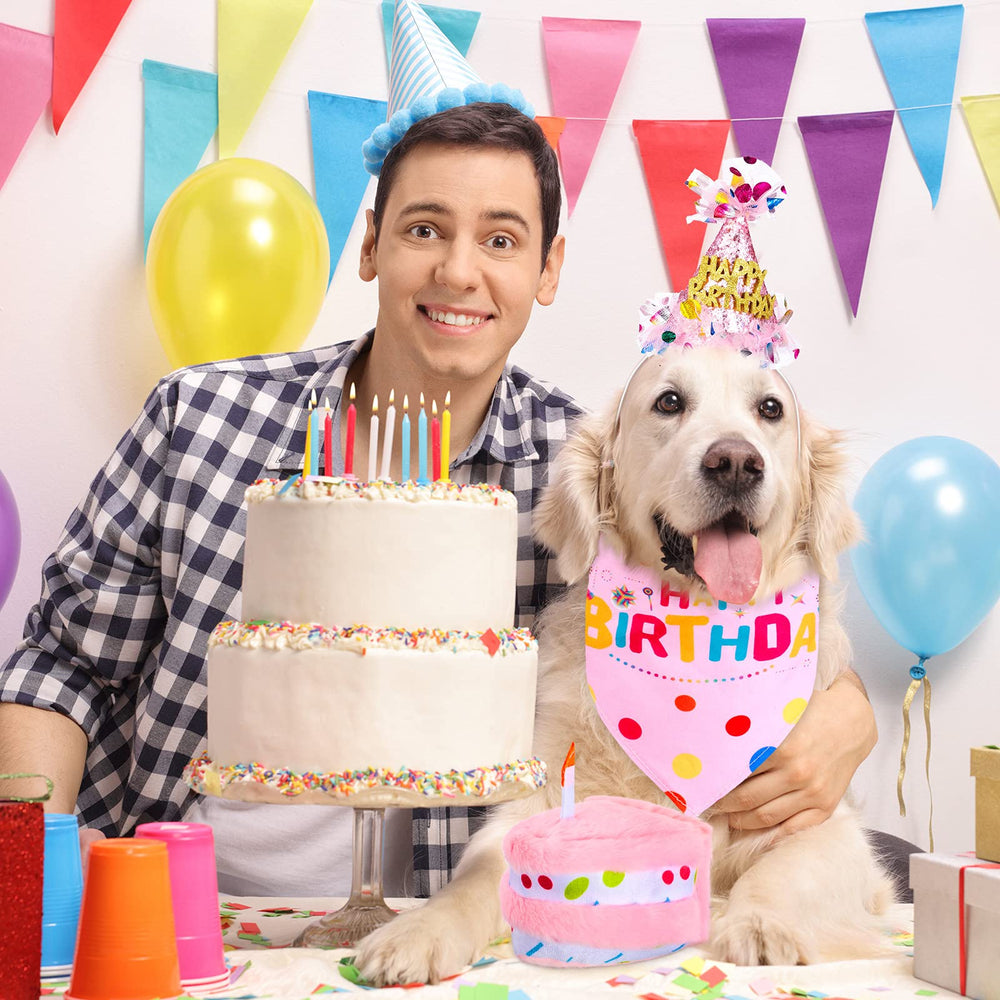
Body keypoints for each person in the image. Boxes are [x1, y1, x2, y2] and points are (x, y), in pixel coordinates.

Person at [0, 102, 878, 898]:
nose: (460, 272)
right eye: (426, 228)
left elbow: (715, 638)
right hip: (174, 906)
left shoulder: (586, 472)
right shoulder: (199, 416)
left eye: (501, 240)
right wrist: (28, 886)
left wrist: (847, 707)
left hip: (433, 918)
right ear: (372, 242)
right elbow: (64, 667)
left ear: (547, 268)